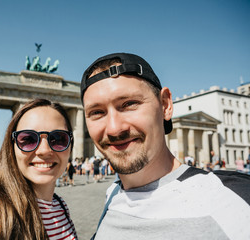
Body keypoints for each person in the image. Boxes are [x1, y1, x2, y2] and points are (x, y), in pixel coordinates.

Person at [80, 52, 250, 239]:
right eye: (96, 112)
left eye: (129, 104)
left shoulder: (233, 200)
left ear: (165, 105)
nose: (114, 129)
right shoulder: (113, 193)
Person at [0, 99, 77, 240]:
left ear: (70, 146)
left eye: (59, 139)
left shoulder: (60, 206)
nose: (44, 150)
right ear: (11, 147)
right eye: (28, 139)